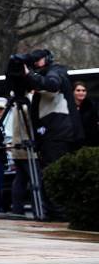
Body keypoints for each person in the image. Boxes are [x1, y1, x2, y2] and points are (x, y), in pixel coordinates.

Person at [25, 49, 82, 219]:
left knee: (53, 172)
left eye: (38, 59)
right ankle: (54, 211)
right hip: (51, 133)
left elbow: (52, 84)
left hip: (59, 133)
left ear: (47, 59)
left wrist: (30, 76)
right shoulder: (40, 76)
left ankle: (59, 213)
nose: (36, 62)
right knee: (49, 172)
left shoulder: (57, 71)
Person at [72, 81, 99, 147]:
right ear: (73, 92)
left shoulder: (91, 106)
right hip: (72, 141)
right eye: (78, 90)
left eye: (83, 90)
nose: (81, 93)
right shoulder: (68, 107)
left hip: (89, 142)